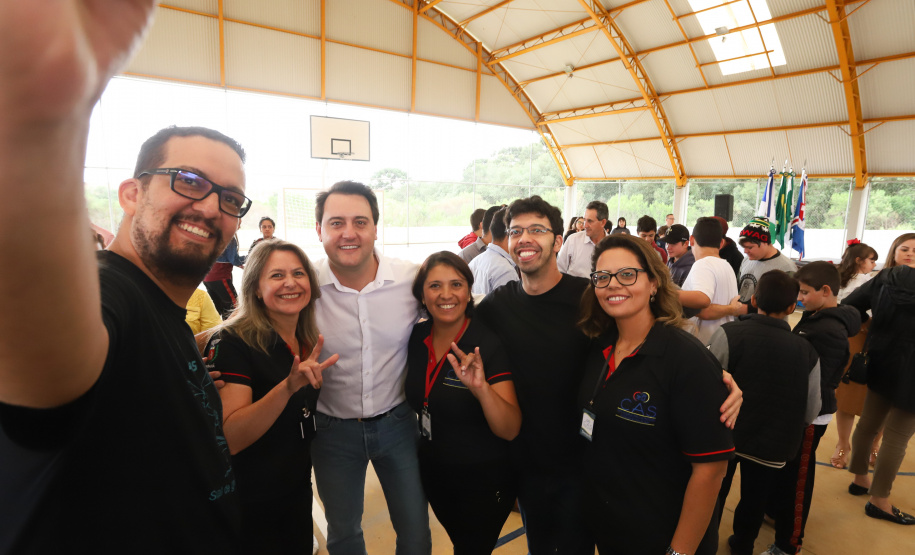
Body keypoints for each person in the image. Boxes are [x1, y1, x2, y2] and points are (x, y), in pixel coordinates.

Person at [0, 18, 253, 544]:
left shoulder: (165, 312)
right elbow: (50, 365)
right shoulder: (112, 293)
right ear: (131, 194)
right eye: (189, 181)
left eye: (230, 198)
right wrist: (43, 120)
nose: (209, 206)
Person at [476, 198, 745, 554]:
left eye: (537, 230)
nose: (525, 239)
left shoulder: (588, 299)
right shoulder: (497, 306)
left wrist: (716, 376)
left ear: (558, 240)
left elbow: (658, 347)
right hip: (535, 468)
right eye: (516, 231)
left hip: (588, 470)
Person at [578, 234, 734, 555]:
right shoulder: (598, 346)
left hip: (663, 535)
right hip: (613, 527)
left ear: (653, 284)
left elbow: (711, 470)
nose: (613, 285)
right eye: (602, 277)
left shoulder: (685, 359)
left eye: (627, 274)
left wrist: (679, 552)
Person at [310, 181, 431, 554]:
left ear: (376, 228)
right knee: (344, 532)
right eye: (336, 223)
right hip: (331, 431)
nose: (349, 233)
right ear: (319, 230)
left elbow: (457, 307)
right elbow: (253, 313)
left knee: (415, 528)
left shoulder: (411, 280)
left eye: (360, 222)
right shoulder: (305, 286)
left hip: (397, 424)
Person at [205, 240, 339, 554]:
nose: (290, 283)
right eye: (276, 275)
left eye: (298, 273)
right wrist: (287, 388)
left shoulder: (304, 338)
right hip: (250, 499)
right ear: (254, 288)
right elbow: (232, 436)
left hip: (294, 486)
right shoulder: (234, 342)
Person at [406, 251, 521, 554]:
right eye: (434, 286)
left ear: (469, 292)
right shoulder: (417, 337)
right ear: (422, 293)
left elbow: (509, 428)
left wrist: (482, 390)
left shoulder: (486, 344)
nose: (446, 295)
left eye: (456, 284)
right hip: (435, 472)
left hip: (482, 480)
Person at [709, 270, 821, 555]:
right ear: (792, 307)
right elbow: (812, 407)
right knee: (755, 497)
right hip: (773, 441)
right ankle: (743, 543)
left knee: (714, 490)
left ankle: (704, 539)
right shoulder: (806, 350)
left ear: (754, 299)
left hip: (726, 431)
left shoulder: (729, 333)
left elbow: (708, 386)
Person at [765, 261, 860, 555]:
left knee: (798, 480)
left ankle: (788, 543)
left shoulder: (829, 329)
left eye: (805, 292)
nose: (800, 298)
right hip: (800, 409)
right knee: (787, 471)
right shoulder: (817, 316)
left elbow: (819, 380)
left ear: (826, 290)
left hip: (811, 414)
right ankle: (779, 514)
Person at [844, 232, 915, 525]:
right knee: (897, 436)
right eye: (906, 248)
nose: (910, 253)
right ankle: (879, 499)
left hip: (882, 358)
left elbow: (850, 305)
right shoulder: (883, 278)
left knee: (869, 423)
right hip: (911, 369)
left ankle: (860, 479)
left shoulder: (883, 278)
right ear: (895, 252)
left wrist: (873, 328)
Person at [831, 239, 881, 469]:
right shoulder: (858, 281)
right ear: (859, 260)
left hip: (868, 340)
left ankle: (859, 444)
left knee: (869, 396)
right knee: (850, 394)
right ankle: (851, 444)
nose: (873, 264)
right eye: (871, 260)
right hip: (857, 339)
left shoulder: (842, 278)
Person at [679, 217, 739, 344]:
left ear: (691, 240)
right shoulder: (727, 266)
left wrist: (667, 291)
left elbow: (704, 308)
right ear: (721, 243)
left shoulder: (702, 265)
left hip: (701, 344)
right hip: (719, 342)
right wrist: (731, 308)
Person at [735, 217, 796, 313]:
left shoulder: (786, 267)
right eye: (744, 247)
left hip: (768, 325)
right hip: (740, 323)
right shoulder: (746, 260)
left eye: (750, 247)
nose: (745, 251)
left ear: (765, 243)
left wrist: (747, 309)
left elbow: (786, 305)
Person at [468, 206, 518, 297]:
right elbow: (508, 309)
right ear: (510, 233)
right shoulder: (505, 270)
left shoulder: (474, 262)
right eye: (518, 232)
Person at [557, 200, 607, 278]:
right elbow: (559, 270)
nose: (585, 225)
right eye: (585, 220)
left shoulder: (613, 245)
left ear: (603, 222)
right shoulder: (573, 240)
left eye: (590, 221)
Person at [205, 234, 246, 318]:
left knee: (217, 310)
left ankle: (220, 330)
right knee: (235, 309)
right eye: (239, 223)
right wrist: (251, 257)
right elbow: (234, 260)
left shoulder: (211, 234)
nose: (239, 226)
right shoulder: (229, 237)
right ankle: (230, 330)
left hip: (207, 277)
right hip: (220, 277)